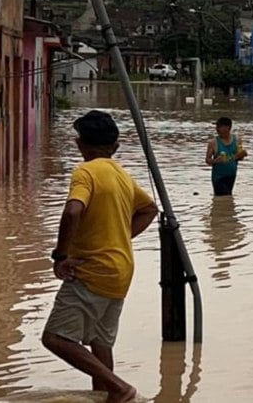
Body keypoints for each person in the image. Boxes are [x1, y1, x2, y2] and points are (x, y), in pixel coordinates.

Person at [42, 110, 158, 403]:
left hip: (92, 270)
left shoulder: (86, 172)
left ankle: (119, 389)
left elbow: (72, 211)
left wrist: (60, 255)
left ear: (80, 144)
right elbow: (149, 209)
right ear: (115, 147)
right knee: (100, 341)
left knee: (55, 338)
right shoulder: (121, 174)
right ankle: (109, 396)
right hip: (120, 270)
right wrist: (118, 236)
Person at [206, 117, 248, 196]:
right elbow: (207, 160)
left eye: (219, 127)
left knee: (227, 198)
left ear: (228, 128)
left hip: (231, 176)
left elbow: (239, 158)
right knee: (224, 196)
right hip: (218, 177)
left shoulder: (237, 140)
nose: (217, 129)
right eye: (217, 127)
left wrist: (242, 155)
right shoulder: (213, 143)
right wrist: (216, 161)